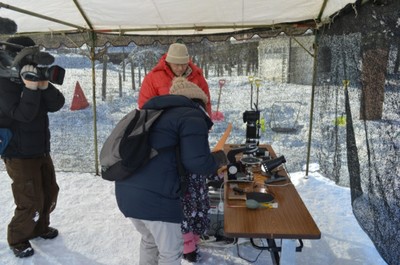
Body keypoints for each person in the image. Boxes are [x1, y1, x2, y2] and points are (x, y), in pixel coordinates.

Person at [115, 78, 227, 265]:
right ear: (198, 103)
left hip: (127, 194)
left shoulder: (154, 114)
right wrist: (220, 158)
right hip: (157, 201)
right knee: (171, 253)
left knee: (150, 241)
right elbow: (198, 163)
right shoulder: (191, 117)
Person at [0, 36, 65, 258]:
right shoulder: (3, 82)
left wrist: (44, 85)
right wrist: (29, 88)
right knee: (29, 199)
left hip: (40, 148)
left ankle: (40, 227)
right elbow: (23, 115)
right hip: (18, 153)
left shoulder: (31, 75)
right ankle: (17, 237)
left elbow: (57, 104)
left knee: (48, 190)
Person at [169, 78, 223, 262]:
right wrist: (213, 167)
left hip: (187, 176)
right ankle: (189, 250)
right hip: (186, 177)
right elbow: (195, 158)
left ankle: (193, 244)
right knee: (189, 213)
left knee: (190, 212)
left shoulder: (174, 117)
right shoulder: (190, 118)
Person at [138, 42, 212, 115]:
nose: (180, 68)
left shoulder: (197, 77)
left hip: (191, 122)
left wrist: (207, 124)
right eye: (176, 65)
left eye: (184, 64)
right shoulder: (152, 78)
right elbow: (145, 106)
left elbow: (206, 104)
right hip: (164, 124)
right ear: (169, 62)